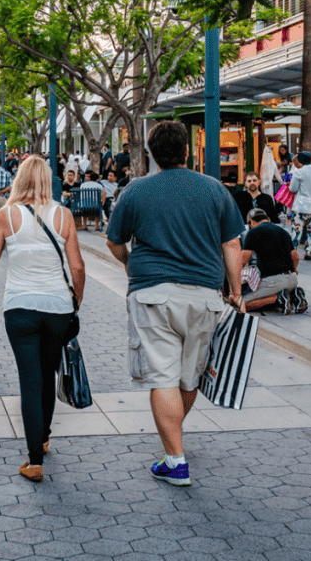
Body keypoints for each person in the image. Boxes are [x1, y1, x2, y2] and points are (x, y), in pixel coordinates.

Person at [106, 121, 244, 489]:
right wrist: (235, 291)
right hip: (205, 296)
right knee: (189, 377)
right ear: (186, 151)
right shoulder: (214, 189)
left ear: (152, 154)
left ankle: (175, 459)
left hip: (152, 293)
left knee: (162, 377)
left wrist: (131, 263)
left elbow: (114, 241)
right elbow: (232, 244)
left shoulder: (135, 190)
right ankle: (174, 444)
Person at [0, 156, 85, 483]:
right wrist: (76, 301)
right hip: (57, 308)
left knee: (30, 380)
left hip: (19, 307)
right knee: (48, 374)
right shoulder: (63, 214)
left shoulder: (6, 214)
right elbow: (77, 267)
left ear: (20, 180)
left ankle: (34, 460)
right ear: (47, 180)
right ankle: (44, 437)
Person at [242, 209, 306, 313]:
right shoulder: (283, 232)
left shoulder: (253, 233)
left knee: (240, 304)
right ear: (268, 219)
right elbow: (295, 256)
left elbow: (243, 261)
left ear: (251, 222)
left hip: (273, 281)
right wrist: (294, 270)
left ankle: (278, 299)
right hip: (293, 280)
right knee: (265, 297)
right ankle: (293, 295)